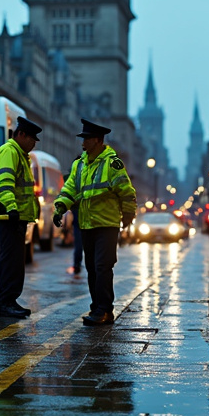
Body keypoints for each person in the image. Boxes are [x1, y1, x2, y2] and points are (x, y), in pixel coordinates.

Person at [53, 119, 137, 326]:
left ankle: (105, 310)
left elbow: (126, 191)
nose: (83, 143)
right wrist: (60, 207)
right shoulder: (79, 164)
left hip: (106, 225)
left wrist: (128, 215)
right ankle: (96, 307)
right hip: (86, 223)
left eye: (87, 139)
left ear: (99, 141)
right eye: (83, 139)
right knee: (91, 267)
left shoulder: (112, 163)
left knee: (102, 267)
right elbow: (70, 189)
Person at [0, 116, 42, 318]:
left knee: (15, 261)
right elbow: (4, 183)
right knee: (10, 260)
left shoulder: (18, 154)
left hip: (17, 217)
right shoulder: (9, 152)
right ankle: (5, 303)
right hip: (10, 216)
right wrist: (11, 208)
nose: (33, 144)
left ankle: (10, 300)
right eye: (31, 139)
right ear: (20, 134)